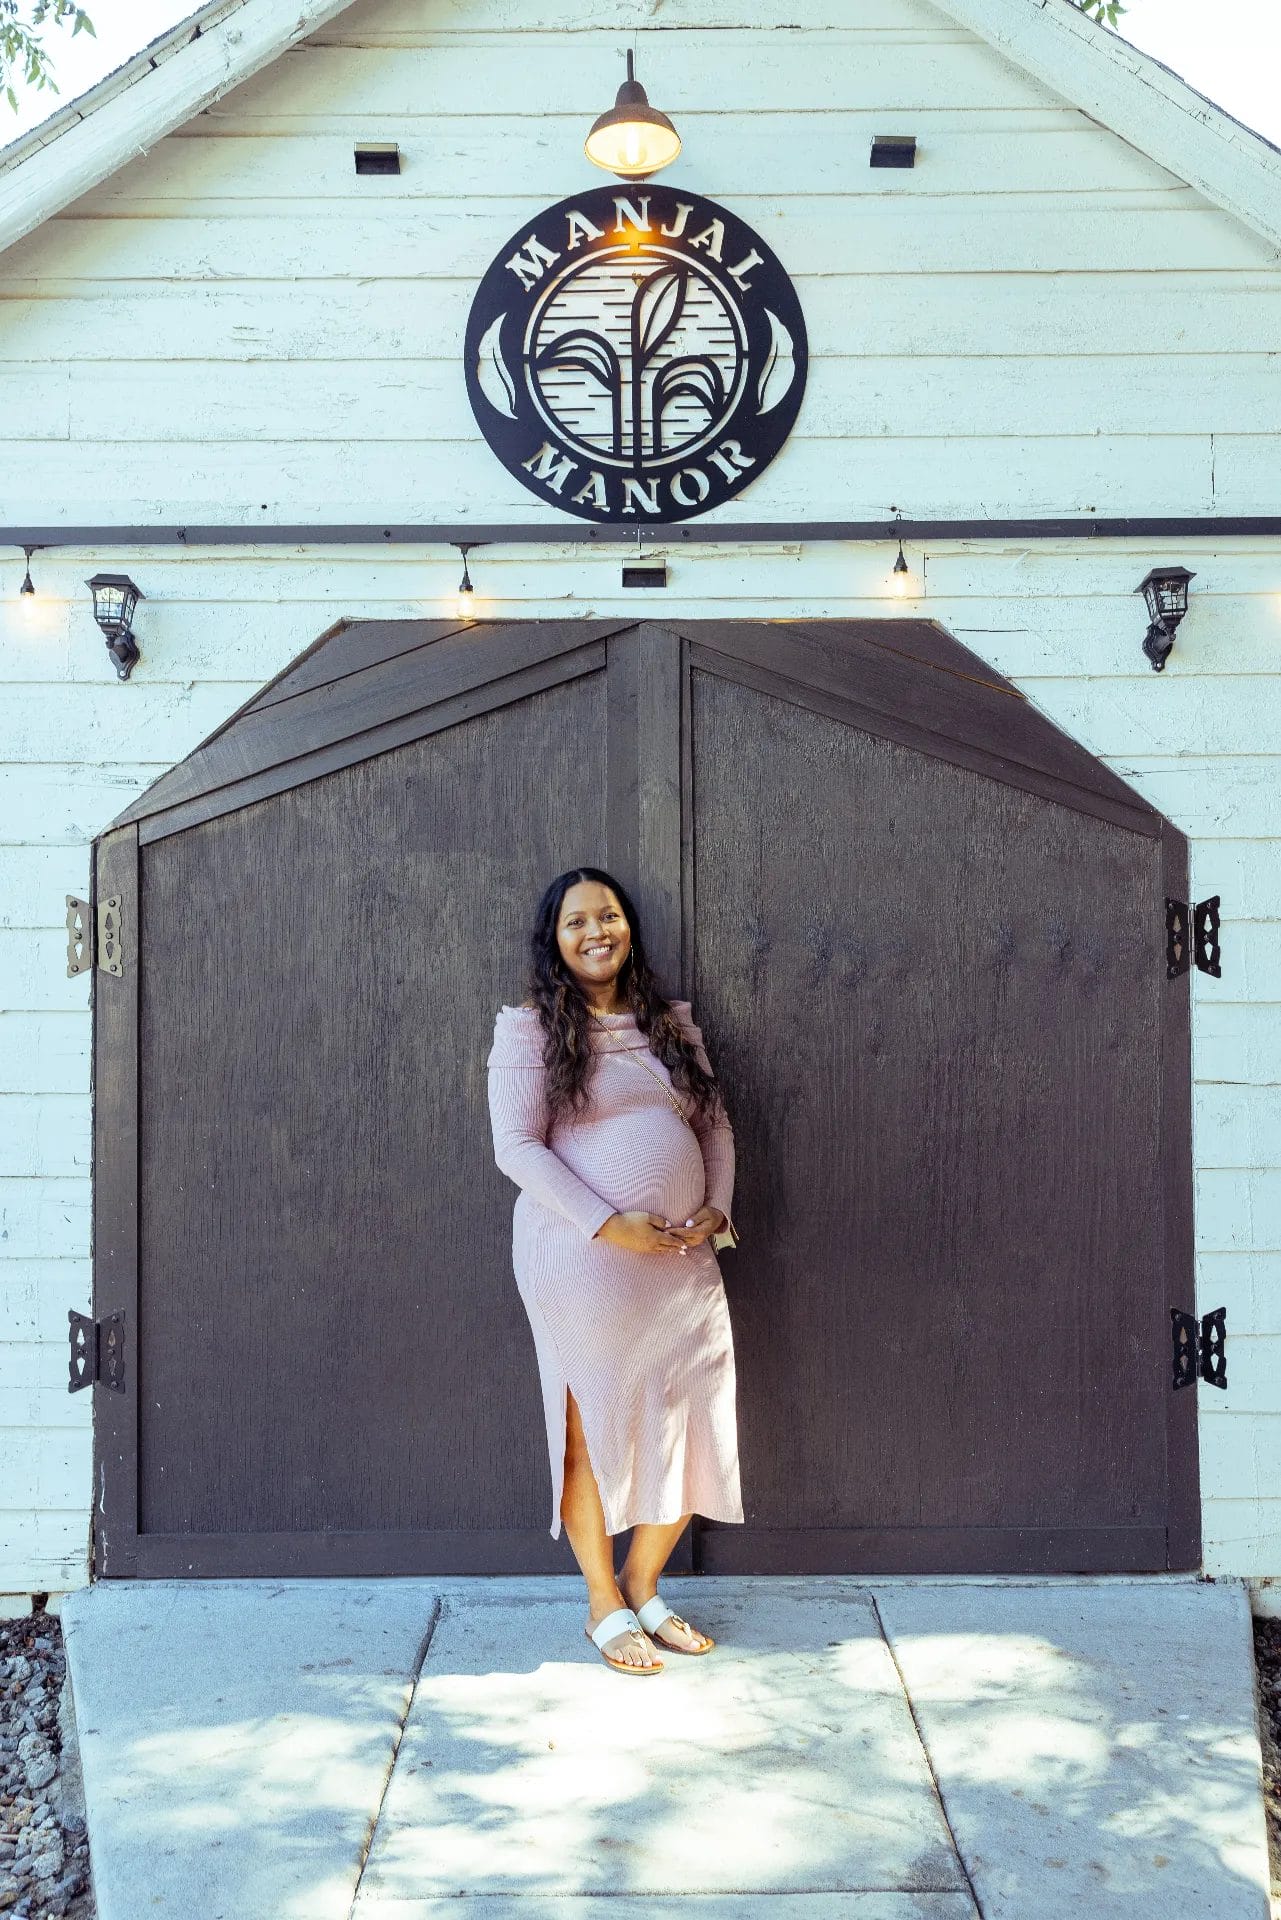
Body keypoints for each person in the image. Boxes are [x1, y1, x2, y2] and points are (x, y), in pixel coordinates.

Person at [486, 866, 744, 1675]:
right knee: (588, 1425)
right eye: (576, 922)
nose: (596, 931)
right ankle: (602, 1602)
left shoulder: (669, 1025)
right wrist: (608, 1224)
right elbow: (515, 1146)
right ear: (554, 942)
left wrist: (717, 1209)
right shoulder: (529, 1030)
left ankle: (643, 1582)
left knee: (692, 1413)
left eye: (608, 916)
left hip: (680, 1258)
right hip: (579, 1257)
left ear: (628, 926)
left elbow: (716, 1128)